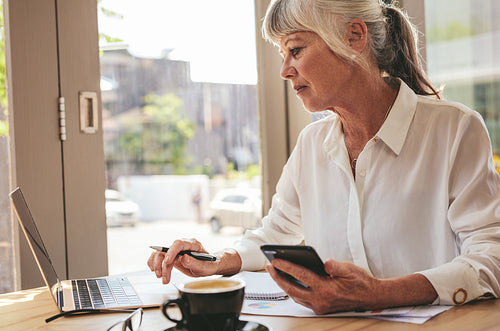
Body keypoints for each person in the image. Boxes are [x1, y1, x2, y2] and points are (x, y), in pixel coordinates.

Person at [148, 0, 500, 314]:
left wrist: (379, 294)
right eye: (282, 54)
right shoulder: (311, 143)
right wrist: (218, 261)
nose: (285, 70)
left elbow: (491, 259)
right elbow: (276, 233)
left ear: (354, 37)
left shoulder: (456, 129)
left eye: (296, 49)